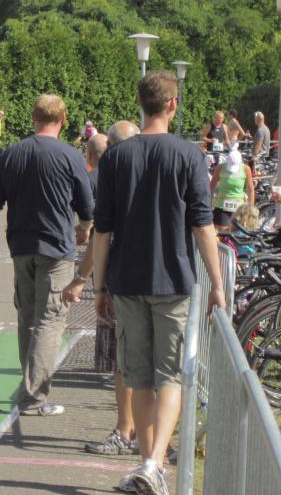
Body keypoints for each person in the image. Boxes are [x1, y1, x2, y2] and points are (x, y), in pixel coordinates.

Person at [92, 71, 225, 494]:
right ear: (172, 104)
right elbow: (203, 226)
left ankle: (150, 466)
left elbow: (102, 230)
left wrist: (99, 286)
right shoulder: (189, 155)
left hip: (126, 280)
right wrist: (218, 283)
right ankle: (153, 465)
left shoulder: (115, 158)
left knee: (140, 377)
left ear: (141, 104)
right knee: (169, 375)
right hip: (172, 279)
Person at [0, 94, 93, 416]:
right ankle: (33, 397)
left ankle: (29, 388)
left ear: (33, 118)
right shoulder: (71, 155)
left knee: (28, 319)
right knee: (50, 321)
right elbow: (87, 208)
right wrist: (84, 228)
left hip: (21, 247)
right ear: (63, 120)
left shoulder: (11, 154)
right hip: (56, 249)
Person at [63, 121, 141, 459]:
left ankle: (126, 431)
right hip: (158, 282)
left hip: (121, 282)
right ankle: (147, 435)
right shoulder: (154, 171)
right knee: (154, 365)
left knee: (123, 362)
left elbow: (101, 235)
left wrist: (85, 281)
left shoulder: (113, 176)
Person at [210, 146, 255, 230]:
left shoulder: (246, 169)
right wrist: (208, 204)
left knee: (237, 232)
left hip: (239, 207)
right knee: (222, 231)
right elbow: (211, 186)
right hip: (221, 205)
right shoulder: (220, 167)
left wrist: (250, 208)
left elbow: (250, 190)